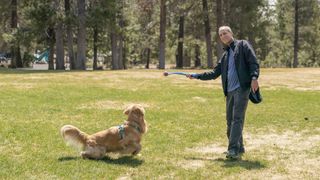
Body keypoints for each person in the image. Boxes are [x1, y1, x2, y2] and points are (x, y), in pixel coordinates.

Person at [187, 26, 260, 160]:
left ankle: (232, 149)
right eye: (220, 35)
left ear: (231, 33)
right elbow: (214, 73)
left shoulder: (243, 45)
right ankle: (239, 147)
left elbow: (253, 62)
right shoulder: (225, 55)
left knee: (237, 119)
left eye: (225, 33)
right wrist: (196, 75)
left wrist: (254, 78)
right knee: (230, 121)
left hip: (242, 88)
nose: (223, 36)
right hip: (230, 92)